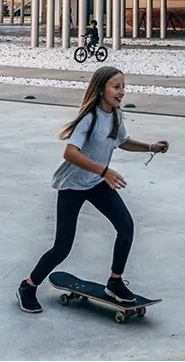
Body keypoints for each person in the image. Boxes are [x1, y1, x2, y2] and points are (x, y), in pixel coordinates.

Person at [16, 66, 170, 314]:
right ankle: (28, 286)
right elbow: (70, 152)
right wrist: (103, 171)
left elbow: (123, 141)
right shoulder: (90, 118)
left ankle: (115, 281)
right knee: (62, 247)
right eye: (116, 87)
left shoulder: (116, 116)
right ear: (101, 90)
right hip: (73, 187)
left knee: (126, 226)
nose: (121, 92)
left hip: (97, 183)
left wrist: (151, 146)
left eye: (123, 87)